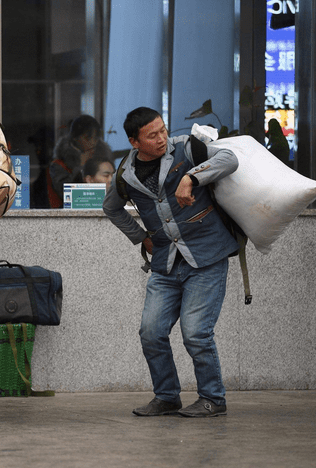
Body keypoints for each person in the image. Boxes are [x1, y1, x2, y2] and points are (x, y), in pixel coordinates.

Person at [103, 106, 238, 418]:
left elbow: (229, 159)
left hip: (207, 256)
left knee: (196, 332)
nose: (162, 138)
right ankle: (166, 397)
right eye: (152, 135)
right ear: (134, 142)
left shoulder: (188, 149)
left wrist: (192, 176)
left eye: (162, 129)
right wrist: (140, 237)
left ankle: (213, 398)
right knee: (151, 331)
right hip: (165, 262)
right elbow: (111, 207)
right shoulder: (126, 174)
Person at [47, 115, 113, 207]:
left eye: (96, 139)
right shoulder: (59, 164)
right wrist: (80, 166)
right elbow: (65, 193)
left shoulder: (103, 159)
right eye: (87, 138)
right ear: (75, 137)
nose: (93, 143)